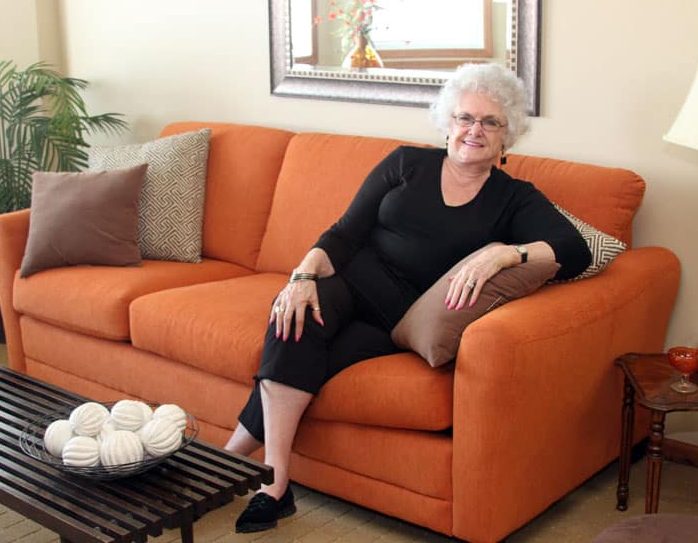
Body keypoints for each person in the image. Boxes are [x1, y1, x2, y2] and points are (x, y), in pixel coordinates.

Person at [225, 62, 591, 533]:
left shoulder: (514, 198)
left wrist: (504, 254)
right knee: (293, 317)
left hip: (396, 320)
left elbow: (575, 251)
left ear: (508, 137)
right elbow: (343, 233)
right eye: (464, 118)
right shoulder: (405, 164)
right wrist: (299, 277)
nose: (474, 130)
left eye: (490, 122)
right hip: (348, 283)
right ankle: (273, 483)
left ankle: (226, 462)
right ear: (447, 123)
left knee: (314, 352)